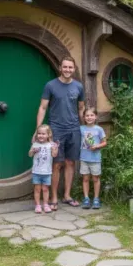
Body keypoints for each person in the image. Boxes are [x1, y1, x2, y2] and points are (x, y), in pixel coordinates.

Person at [36, 56, 85, 210]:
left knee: (70, 162)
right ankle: (54, 198)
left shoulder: (79, 87)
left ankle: (67, 195)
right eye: (65, 67)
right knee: (56, 164)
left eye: (70, 67)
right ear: (60, 67)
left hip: (74, 129)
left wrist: (85, 128)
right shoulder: (50, 85)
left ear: (74, 69)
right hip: (56, 129)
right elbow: (43, 107)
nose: (67, 70)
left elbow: (81, 108)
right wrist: (38, 129)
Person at [79, 107, 107, 209]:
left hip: (95, 158)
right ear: (83, 117)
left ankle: (96, 198)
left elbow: (104, 142)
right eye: (87, 115)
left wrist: (97, 146)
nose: (89, 117)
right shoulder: (81, 128)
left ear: (96, 117)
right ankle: (86, 198)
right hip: (84, 158)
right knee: (85, 179)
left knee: (95, 179)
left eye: (92, 115)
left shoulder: (99, 129)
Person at [29, 124, 57, 213]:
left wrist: (54, 149)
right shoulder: (35, 144)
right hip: (36, 171)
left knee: (45, 189)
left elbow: (54, 155)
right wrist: (32, 151)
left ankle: (45, 204)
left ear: (48, 135)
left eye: (43, 134)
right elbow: (30, 154)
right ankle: (37, 205)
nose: (41, 135)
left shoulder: (50, 144)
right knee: (37, 189)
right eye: (39, 133)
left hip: (47, 172)